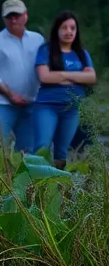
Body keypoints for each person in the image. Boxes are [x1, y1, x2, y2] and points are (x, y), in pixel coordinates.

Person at [33, 10, 96, 167]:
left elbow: (91, 78)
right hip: (48, 106)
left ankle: (58, 185)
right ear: (57, 30)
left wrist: (60, 75)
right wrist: (77, 76)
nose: (69, 32)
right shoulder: (46, 50)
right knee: (42, 147)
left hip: (72, 109)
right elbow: (44, 77)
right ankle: (36, 184)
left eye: (72, 28)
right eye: (64, 28)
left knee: (62, 151)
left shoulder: (82, 54)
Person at [0, 0, 44, 151]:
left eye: (16, 15)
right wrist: (10, 94)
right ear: (4, 19)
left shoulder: (38, 40)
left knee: (28, 151)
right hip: (1, 103)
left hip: (31, 103)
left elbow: (46, 67)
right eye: (9, 16)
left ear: (25, 15)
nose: (13, 19)